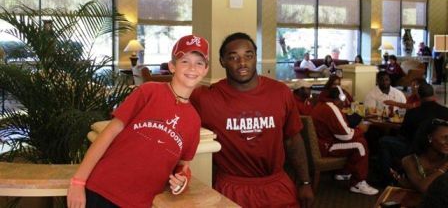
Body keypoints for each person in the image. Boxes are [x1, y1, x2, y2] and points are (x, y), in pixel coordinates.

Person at [66, 35, 210, 208]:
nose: (192, 67)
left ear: (205, 70)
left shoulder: (194, 120)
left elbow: (183, 165)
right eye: (185, 61)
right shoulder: (149, 92)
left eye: (199, 63)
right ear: (172, 66)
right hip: (102, 189)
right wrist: (78, 181)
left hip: (140, 202)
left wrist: (182, 182)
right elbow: (109, 133)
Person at [191, 32, 313, 208]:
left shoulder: (280, 92)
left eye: (248, 56)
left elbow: (293, 140)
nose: (242, 63)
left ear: (256, 57)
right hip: (231, 188)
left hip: (276, 186)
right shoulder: (205, 98)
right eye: (233, 57)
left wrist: (305, 182)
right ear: (222, 61)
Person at [311, 87, 378, 195]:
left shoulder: (321, 105)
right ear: (339, 98)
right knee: (360, 144)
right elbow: (346, 135)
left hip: (321, 143)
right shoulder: (331, 108)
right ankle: (358, 183)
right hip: (326, 147)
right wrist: (361, 129)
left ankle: (344, 172)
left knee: (357, 140)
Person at [378, 83, 448, 186]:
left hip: (414, 148)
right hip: (435, 152)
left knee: (384, 141)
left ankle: (387, 180)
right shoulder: (446, 111)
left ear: (418, 96)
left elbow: (403, 134)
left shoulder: (413, 112)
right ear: (434, 95)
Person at [401, 118, 448, 193]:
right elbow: (424, 188)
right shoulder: (410, 160)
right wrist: (444, 167)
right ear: (430, 137)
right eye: (445, 138)